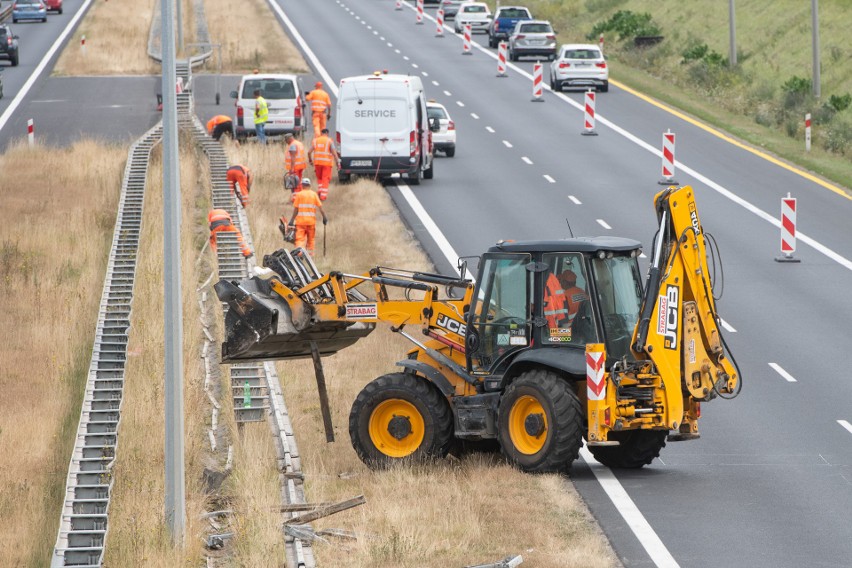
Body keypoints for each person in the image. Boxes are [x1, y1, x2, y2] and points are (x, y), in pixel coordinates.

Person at [287, 178, 328, 257]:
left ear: (302, 185)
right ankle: (310, 256)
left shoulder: (299, 195)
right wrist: (324, 217)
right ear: (309, 185)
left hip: (300, 223)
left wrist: (292, 220)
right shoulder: (314, 194)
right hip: (311, 223)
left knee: (299, 239)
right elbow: (320, 208)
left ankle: (299, 255)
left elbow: (296, 209)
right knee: (311, 240)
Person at [307, 128, 340, 201]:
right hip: (326, 164)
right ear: (327, 133)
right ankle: (323, 196)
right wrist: (338, 162)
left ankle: (320, 192)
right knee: (325, 179)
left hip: (317, 163)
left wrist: (310, 160)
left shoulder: (315, 141)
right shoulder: (329, 141)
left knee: (320, 179)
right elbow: (334, 153)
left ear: (321, 133)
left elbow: (309, 152)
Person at [283, 133, 307, 198]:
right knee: (298, 183)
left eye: (286, 140)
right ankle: (300, 197)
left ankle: (296, 199)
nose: (286, 142)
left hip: (295, 167)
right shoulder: (299, 143)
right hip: (300, 166)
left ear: (289, 139)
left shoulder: (292, 145)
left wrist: (292, 168)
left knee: (294, 184)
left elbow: (293, 157)